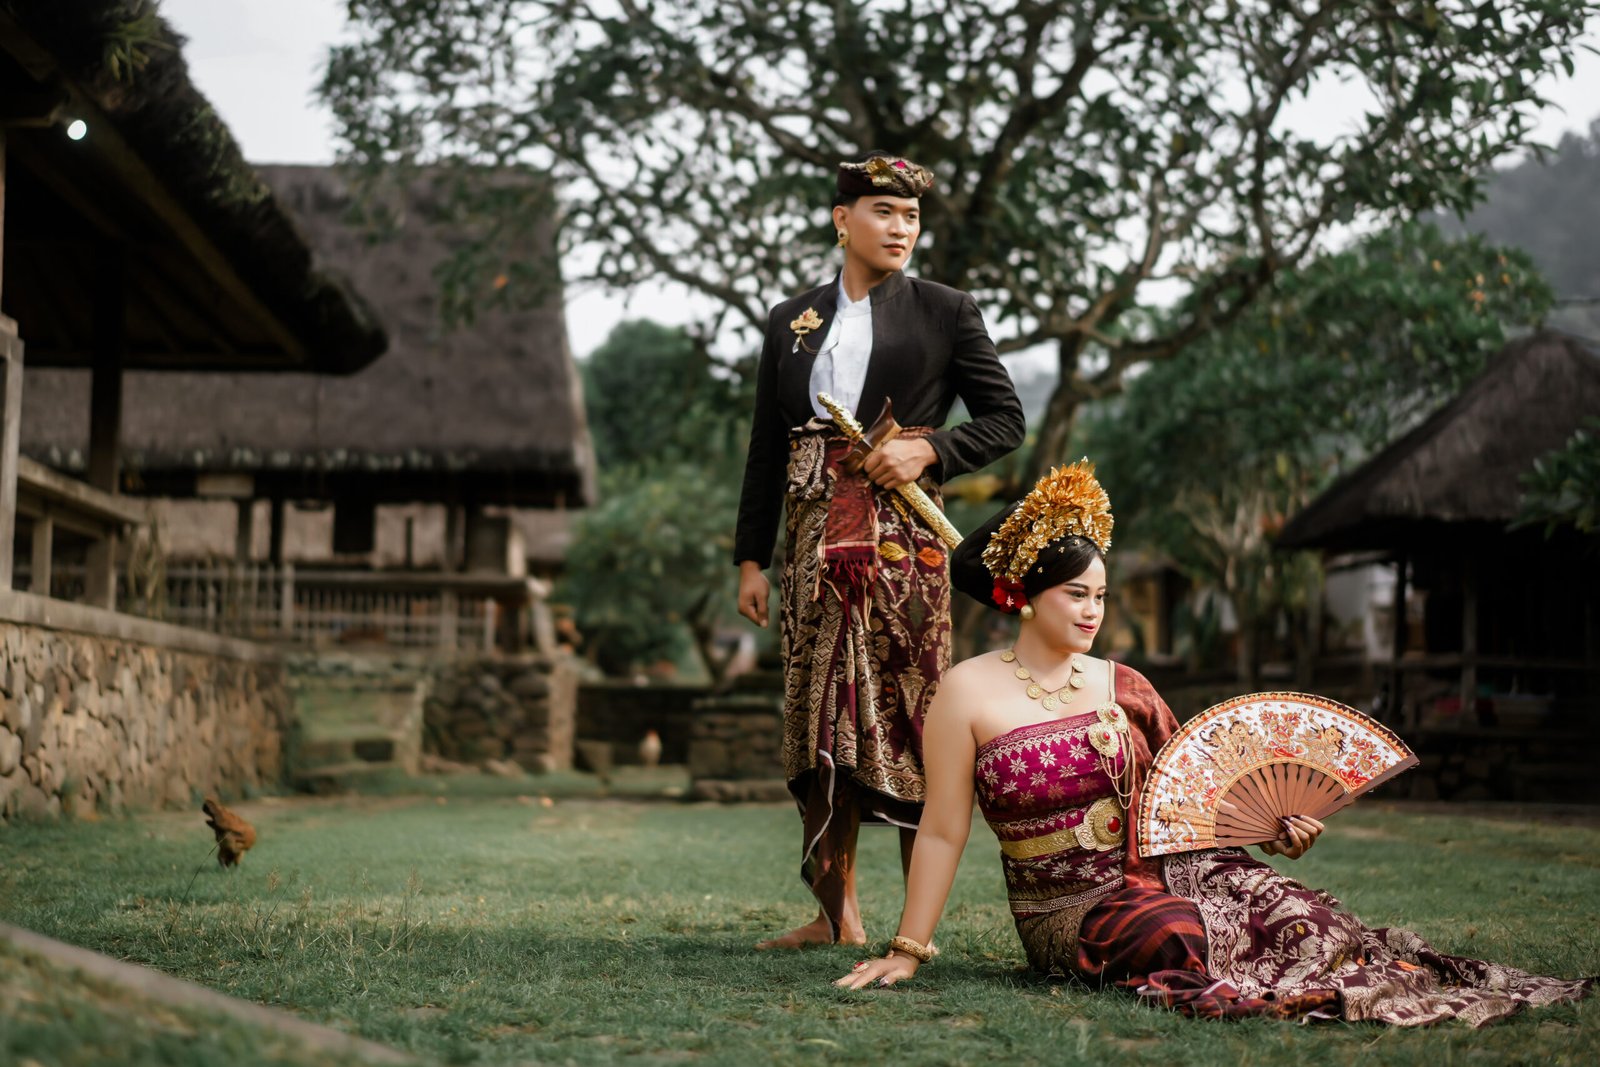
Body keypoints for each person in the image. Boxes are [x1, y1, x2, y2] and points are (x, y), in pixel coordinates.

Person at [835, 462, 1591, 1025]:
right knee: (1173, 934)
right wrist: (908, 948)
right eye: (1076, 594)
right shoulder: (965, 690)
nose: (1093, 610)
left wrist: (1272, 830)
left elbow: (1192, 797)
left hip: (1172, 869)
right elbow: (944, 829)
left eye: (1101, 595)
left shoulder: (1124, 684)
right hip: (1068, 910)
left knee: (1300, 914)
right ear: (1025, 595)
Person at [734, 152, 1026, 949]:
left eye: (911, 217)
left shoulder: (945, 310)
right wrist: (751, 559)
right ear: (843, 219)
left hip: (904, 549)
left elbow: (1005, 419)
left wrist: (928, 450)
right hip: (810, 544)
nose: (901, 228)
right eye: (883, 212)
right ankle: (838, 917)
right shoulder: (790, 320)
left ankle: (913, 923)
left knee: (913, 714)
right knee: (817, 717)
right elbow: (766, 445)